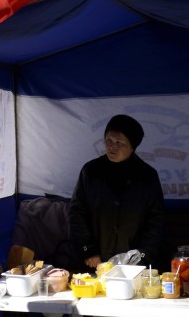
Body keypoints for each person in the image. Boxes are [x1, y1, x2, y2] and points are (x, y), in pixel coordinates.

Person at [69, 114, 165, 269]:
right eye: (109, 141)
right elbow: (77, 212)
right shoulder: (90, 172)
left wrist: (142, 256)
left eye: (119, 143)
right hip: (94, 262)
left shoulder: (147, 176)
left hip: (134, 267)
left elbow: (156, 219)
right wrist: (88, 250)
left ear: (132, 146)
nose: (112, 147)